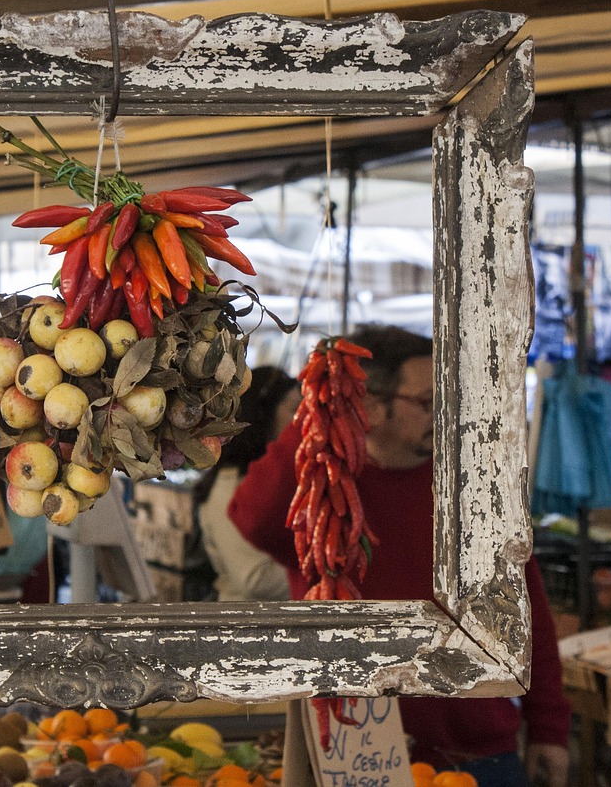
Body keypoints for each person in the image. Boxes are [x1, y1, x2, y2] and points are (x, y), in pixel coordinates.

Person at [228, 325, 571, 787]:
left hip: (481, 750)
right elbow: (251, 517)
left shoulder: (475, 489)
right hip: (360, 751)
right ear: (371, 407)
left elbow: (527, 610)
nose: (445, 413)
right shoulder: (324, 490)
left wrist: (549, 727)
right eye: (428, 402)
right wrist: (321, 413)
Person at [192, 366, 299, 602]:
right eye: (294, 410)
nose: (302, 420)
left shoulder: (272, 478)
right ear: (263, 417)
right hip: (248, 627)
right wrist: (327, 572)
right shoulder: (229, 487)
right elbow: (256, 579)